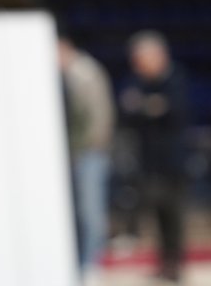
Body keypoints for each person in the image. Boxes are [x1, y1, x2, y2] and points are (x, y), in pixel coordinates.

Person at [119, 30, 189, 283]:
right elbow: (129, 110)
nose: (137, 66)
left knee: (174, 215)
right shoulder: (139, 82)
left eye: (140, 60)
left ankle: (175, 265)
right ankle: (164, 263)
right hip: (149, 161)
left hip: (173, 162)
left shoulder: (176, 78)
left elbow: (173, 112)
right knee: (157, 216)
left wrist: (146, 106)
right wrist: (151, 106)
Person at [58, 32, 115, 279]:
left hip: (89, 153)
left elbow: (100, 117)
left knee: (90, 212)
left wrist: (89, 148)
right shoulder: (68, 75)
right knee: (79, 212)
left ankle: (91, 264)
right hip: (77, 153)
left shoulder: (85, 73)